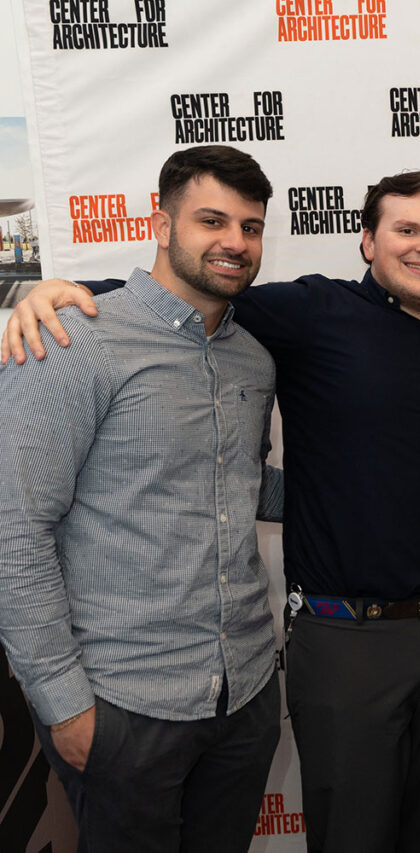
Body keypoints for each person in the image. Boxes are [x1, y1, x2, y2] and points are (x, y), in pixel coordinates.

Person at [2, 171, 420, 852]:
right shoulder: (306, 314)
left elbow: (237, 472)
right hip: (344, 640)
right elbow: (186, 294)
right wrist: (57, 291)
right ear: (367, 241)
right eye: (406, 230)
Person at [0, 145, 283, 851]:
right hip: (124, 704)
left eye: (250, 227)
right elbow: (14, 528)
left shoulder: (251, 355)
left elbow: (238, 484)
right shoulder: (75, 340)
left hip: (243, 696)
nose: (234, 242)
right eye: (211, 220)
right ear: (161, 225)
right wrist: (64, 704)